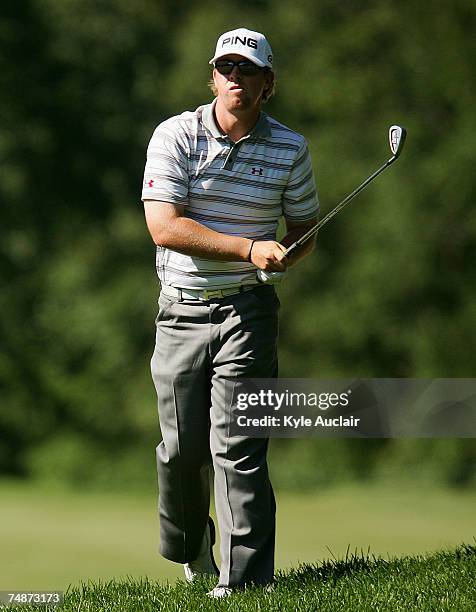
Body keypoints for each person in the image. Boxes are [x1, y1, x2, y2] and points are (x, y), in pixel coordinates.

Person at [141, 27, 319, 599]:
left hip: (249, 311)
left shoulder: (290, 148)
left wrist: (290, 251)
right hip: (182, 310)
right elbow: (164, 226)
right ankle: (192, 548)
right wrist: (247, 247)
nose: (235, 77)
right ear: (213, 77)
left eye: (248, 70)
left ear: (269, 84)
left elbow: (303, 226)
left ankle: (246, 583)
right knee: (179, 451)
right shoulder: (176, 135)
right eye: (226, 67)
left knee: (240, 445)